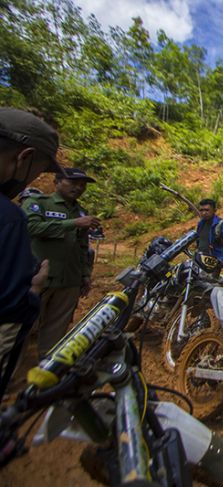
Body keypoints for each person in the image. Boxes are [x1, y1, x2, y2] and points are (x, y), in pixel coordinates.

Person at [0, 107, 63, 398]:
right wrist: (33, 289)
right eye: (38, 171)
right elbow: (9, 318)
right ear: (23, 158)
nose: (32, 180)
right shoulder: (9, 218)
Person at [22, 167, 100, 357]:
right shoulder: (38, 203)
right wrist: (72, 224)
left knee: (56, 331)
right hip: (38, 279)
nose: (79, 188)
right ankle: (14, 376)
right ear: (56, 182)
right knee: (23, 327)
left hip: (69, 281)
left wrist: (85, 274)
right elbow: (31, 227)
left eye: (82, 185)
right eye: (73, 183)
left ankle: (46, 371)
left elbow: (83, 246)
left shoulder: (82, 212)